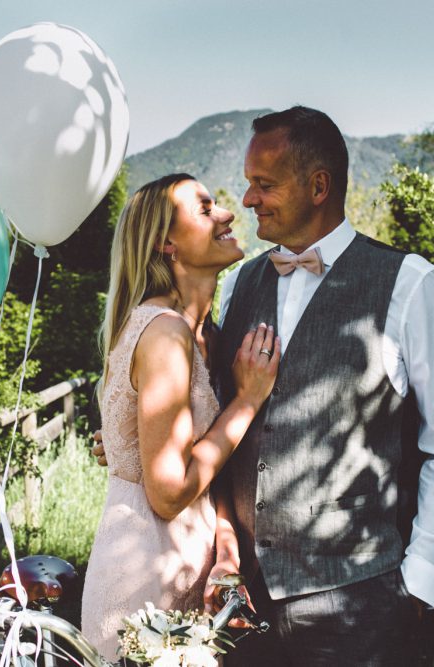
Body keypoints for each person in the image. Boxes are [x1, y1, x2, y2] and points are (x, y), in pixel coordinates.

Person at [199, 106, 434, 666]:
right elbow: (214, 417)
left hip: (359, 607)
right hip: (244, 602)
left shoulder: (410, 283)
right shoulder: (238, 284)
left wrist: (420, 581)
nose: (249, 199)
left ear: (319, 186)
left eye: (265, 184)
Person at [80, 173, 281, 658]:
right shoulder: (165, 333)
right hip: (142, 582)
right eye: (206, 209)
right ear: (166, 243)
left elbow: (203, 462)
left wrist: (227, 550)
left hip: (191, 577)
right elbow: (168, 493)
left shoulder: (206, 334)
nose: (228, 215)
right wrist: (248, 401)